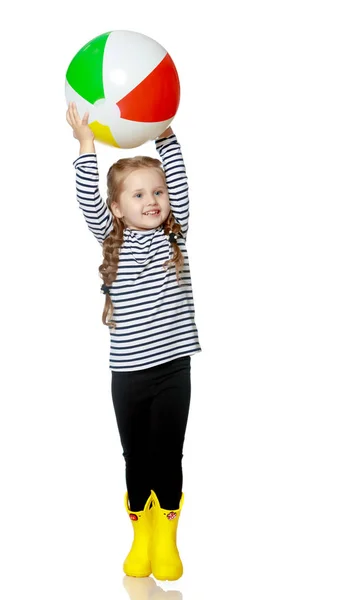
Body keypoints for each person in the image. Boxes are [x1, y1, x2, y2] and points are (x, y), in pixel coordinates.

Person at [66, 102, 201, 581]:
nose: (153, 199)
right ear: (118, 207)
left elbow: (179, 186)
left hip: (172, 373)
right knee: (135, 459)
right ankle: (141, 536)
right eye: (139, 193)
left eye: (158, 191)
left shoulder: (174, 235)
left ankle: (166, 538)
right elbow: (88, 199)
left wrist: (164, 135)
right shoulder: (115, 241)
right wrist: (86, 145)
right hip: (127, 375)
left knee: (168, 455)